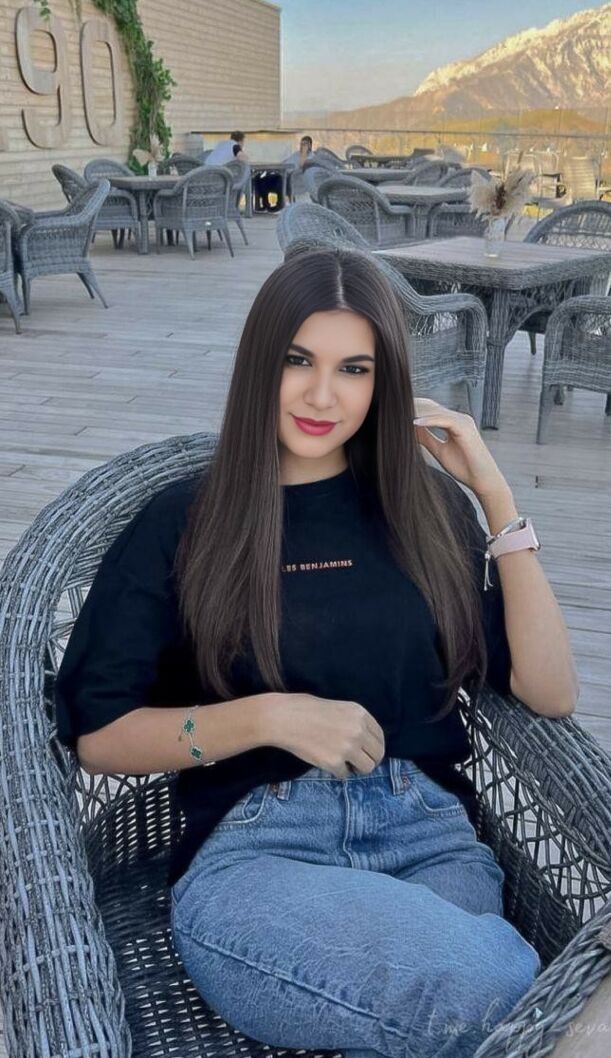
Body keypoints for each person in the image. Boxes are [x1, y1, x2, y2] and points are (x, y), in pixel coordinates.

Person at [55, 248, 579, 1057]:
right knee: (497, 991)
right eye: (298, 360)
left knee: (452, 1015)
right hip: (259, 855)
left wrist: (497, 499)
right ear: (259, 364)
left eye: (354, 369)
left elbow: (549, 691)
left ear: (383, 382)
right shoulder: (184, 521)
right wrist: (269, 718)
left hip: (430, 841)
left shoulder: (428, 511)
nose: (322, 395)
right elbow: (100, 735)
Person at [255, 135, 313, 211]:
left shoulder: (311, 157)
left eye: (304, 144)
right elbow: (285, 162)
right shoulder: (296, 154)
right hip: (281, 173)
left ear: (309, 146)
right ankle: (264, 204)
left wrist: (304, 154)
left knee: (280, 182)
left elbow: (302, 166)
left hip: (292, 179)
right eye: (301, 144)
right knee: (259, 180)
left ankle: (279, 205)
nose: (302, 146)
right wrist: (275, 168)